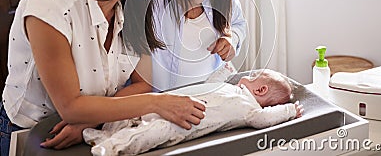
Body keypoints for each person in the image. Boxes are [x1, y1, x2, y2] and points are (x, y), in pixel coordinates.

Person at [0, 0, 206, 155]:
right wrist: (159, 103)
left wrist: (91, 120)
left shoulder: (132, 9)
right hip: (30, 135)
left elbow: (143, 83)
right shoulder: (50, 7)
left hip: (91, 130)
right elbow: (70, 108)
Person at [83, 69, 304, 156]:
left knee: (148, 134)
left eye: (255, 75)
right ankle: (105, 134)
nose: (249, 74)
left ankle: (111, 148)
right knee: (132, 116)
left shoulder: (249, 109)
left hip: (183, 124)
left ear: (261, 89)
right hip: (170, 106)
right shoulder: (233, 88)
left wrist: (288, 111)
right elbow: (209, 85)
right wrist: (222, 71)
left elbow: (262, 120)